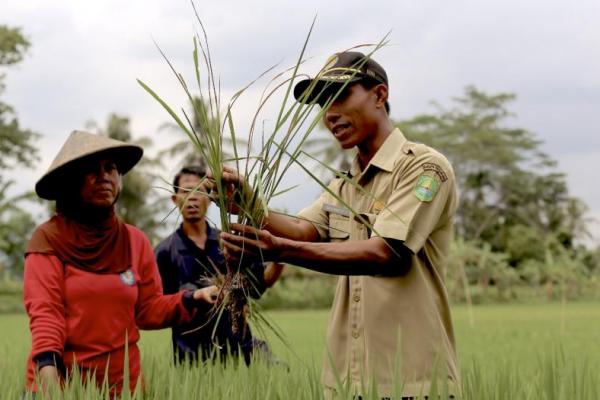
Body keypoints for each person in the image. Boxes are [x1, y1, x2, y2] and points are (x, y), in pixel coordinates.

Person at [218, 51, 460, 398]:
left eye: (339, 95)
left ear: (379, 95)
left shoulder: (423, 169)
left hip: (415, 384)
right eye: (321, 103)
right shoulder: (345, 185)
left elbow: (388, 253)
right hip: (351, 384)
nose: (329, 113)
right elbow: (303, 229)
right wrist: (249, 203)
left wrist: (281, 250)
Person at [23, 131, 218, 396]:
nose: (104, 176)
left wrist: (194, 298)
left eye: (110, 168)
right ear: (71, 181)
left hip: (124, 386)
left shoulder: (134, 240)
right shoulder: (49, 239)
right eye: (91, 170)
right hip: (65, 386)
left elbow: (148, 310)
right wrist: (49, 382)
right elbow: (46, 314)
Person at [155, 165, 282, 365]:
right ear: (175, 199)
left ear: (211, 199)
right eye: (186, 191)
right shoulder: (165, 252)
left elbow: (258, 285)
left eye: (199, 191)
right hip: (191, 359)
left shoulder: (229, 242)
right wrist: (194, 297)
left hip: (239, 352)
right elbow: (158, 308)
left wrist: (280, 255)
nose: (193, 197)